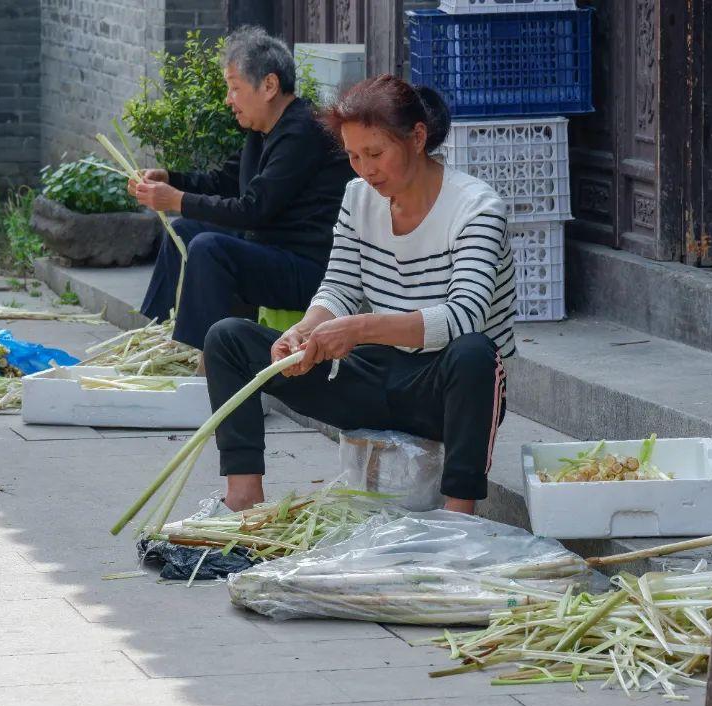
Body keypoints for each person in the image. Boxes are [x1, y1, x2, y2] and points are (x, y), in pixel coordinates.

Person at [200, 75, 517, 516]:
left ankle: (459, 515)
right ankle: (243, 497)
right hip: (374, 377)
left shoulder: (477, 208)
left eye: (375, 153)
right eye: (353, 156)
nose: (365, 169)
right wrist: (307, 329)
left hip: (443, 392)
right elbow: (340, 286)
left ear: (418, 138)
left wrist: (361, 329)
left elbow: (463, 316)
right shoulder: (357, 197)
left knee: (474, 353)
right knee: (228, 338)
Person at [129, 26, 353, 350]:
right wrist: (170, 179)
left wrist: (177, 200)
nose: (228, 99)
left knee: (209, 249)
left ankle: (196, 358)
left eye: (234, 88)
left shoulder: (301, 133)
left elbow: (254, 209)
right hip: (271, 248)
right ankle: (152, 335)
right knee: (185, 231)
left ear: (269, 85)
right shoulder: (263, 131)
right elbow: (223, 182)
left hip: (307, 268)